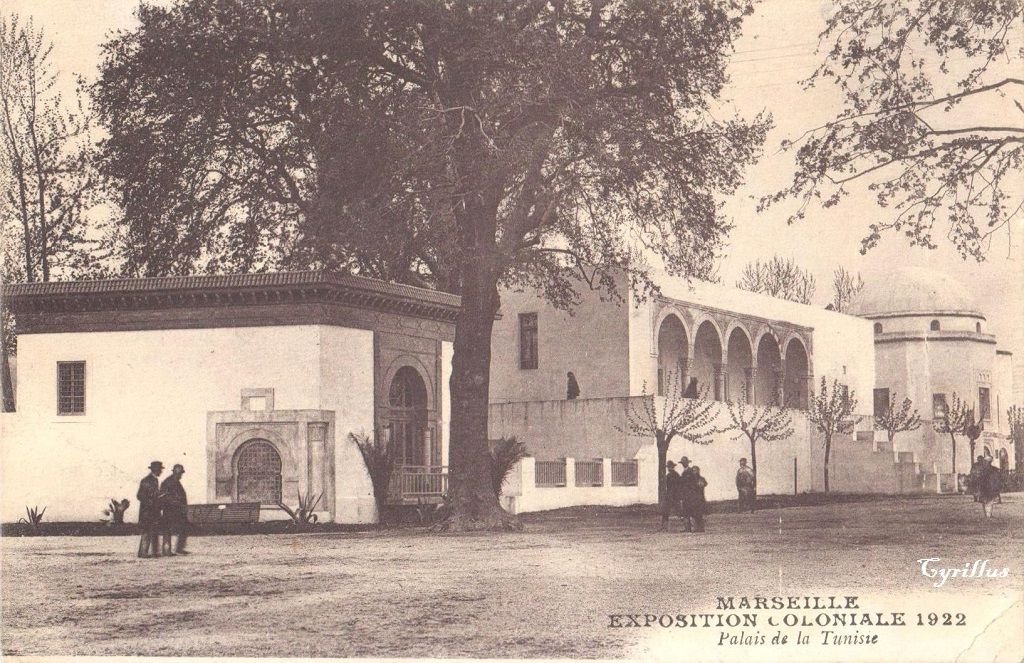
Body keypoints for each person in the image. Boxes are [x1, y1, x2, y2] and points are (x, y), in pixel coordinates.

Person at [161, 464, 190, 555]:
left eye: (181, 473)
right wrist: (175, 502)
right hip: (170, 510)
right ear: (175, 472)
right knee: (168, 530)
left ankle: (179, 548)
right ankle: (166, 550)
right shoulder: (168, 482)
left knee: (183, 527)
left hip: (178, 510)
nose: (181, 475)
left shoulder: (176, 481)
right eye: (179, 473)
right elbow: (164, 496)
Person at [137, 461, 164, 558]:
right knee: (147, 531)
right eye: (160, 469)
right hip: (147, 511)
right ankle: (144, 553)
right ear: (155, 470)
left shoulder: (154, 480)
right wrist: (151, 502)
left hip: (152, 510)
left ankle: (151, 552)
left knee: (152, 531)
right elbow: (140, 495)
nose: (161, 471)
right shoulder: (147, 480)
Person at [659, 460, 682, 529]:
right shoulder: (669, 475)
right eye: (668, 467)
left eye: (670, 467)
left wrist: (677, 494)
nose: (669, 468)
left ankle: (688, 526)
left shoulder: (676, 475)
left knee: (679, 511)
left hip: (674, 495)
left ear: (673, 467)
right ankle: (664, 527)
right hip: (670, 495)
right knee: (665, 511)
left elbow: (678, 485)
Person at [687, 465, 709, 532]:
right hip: (693, 499)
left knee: (699, 513)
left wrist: (700, 484)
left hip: (700, 499)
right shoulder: (690, 479)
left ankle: (701, 528)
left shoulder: (701, 478)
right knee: (693, 513)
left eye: (696, 470)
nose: (695, 472)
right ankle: (694, 528)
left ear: (698, 471)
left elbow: (705, 484)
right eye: (693, 471)